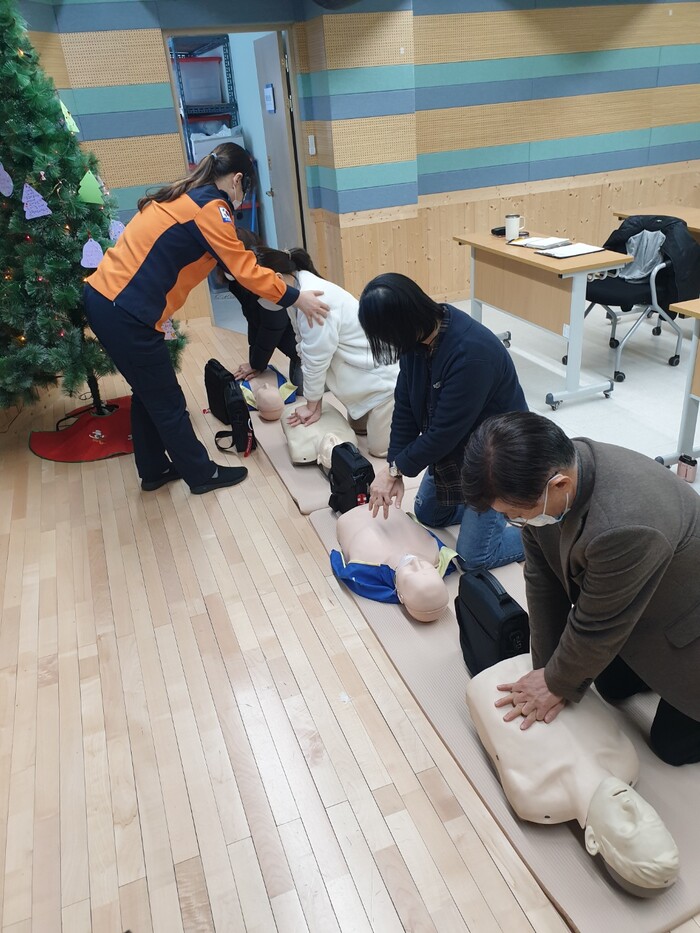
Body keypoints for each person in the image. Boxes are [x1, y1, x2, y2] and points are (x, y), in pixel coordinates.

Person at [83, 143, 328, 495]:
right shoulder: (213, 208)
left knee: (148, 392)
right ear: (238, 179)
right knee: (168, 401)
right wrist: (296, 297)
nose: (242, 198)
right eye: (246, 189)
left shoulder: (186, 196)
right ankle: (202, 474)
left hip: (108, 300)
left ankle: (154, 469)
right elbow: (244, 269)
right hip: (126, 310)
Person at [461, 411, 700, 766]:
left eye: (515, 514)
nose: (512, 521)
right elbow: (542, 580)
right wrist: (546, 670)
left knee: (670, 747)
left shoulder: (625, 524)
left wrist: (555, 683)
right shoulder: (547, 475)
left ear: (559, 485)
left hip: (687, 621)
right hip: (636, 600)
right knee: (608, 685)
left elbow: (597, 625)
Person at [467, 655, 679, 896]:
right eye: (652, 820)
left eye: (629, 828)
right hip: (558, 658)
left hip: (491, 674)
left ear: (593, 841)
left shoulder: (535, 796)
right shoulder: (627, 760)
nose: (632, 806)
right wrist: (556, 677)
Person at [358, 273, 527, 571]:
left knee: (474, 559)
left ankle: (541, 533)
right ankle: (486, 514)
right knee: (429, 514)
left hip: (497, 457)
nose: (385, 342)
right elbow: (405, 408)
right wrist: (395, 467)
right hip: (460, 446)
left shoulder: (471, 353)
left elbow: (443, 434)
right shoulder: (417, 340)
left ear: (403, 322)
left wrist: (395, 470)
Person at [253, 247, 398, 458]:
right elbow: (302, 344)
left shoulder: (315, 299)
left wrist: (312, 405)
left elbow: (315, 360)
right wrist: (314, 402)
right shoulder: (297, 294)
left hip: (384, 383)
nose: (258, 299)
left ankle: (412, 414)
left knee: (379, 450)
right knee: (357, 429)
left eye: (258, 292)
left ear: (277, 279)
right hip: (360, 377)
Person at [332, 505, 456, 622]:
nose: (415, 562)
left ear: (400, 596)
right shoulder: (437, 553)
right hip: (389, 504)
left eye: (412, 572)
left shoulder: (365, 567)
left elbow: (338, 560)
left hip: (349, 513)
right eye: (426, 568)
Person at [222, 227, 303, 393]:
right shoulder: (237, 283)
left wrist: (256, 364)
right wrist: (255, 363)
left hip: (311, 353)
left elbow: (273, 326)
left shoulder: (266, 278)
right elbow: (253, 320)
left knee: (304, 392)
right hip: (298, 350)